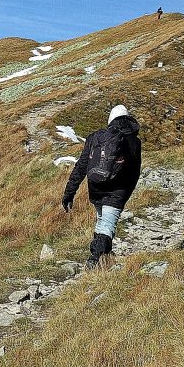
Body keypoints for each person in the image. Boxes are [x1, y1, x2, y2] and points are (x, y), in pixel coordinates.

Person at [62, 105, 142, 269]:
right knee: (107, 225)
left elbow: (81, 166)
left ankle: (104, 258)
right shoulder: (134, 141)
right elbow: (135, 172)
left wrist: (69, 193)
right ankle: (96, 259)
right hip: (118, 192)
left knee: (102, 222)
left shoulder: (95, 138)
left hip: (96, 187)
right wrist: (126, 194)